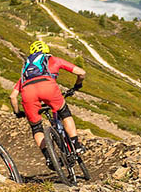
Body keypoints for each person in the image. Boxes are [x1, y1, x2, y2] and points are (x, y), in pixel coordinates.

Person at [9, 40, 86, 168]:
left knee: (36, 127)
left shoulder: (26, 72)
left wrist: (17, 112)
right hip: (48, 87)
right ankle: (75, 144)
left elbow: (12, 96)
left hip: (28, 92)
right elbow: (81, 72)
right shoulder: (54, 60)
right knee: (64, 112)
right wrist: (78, 85)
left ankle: (49, 158)